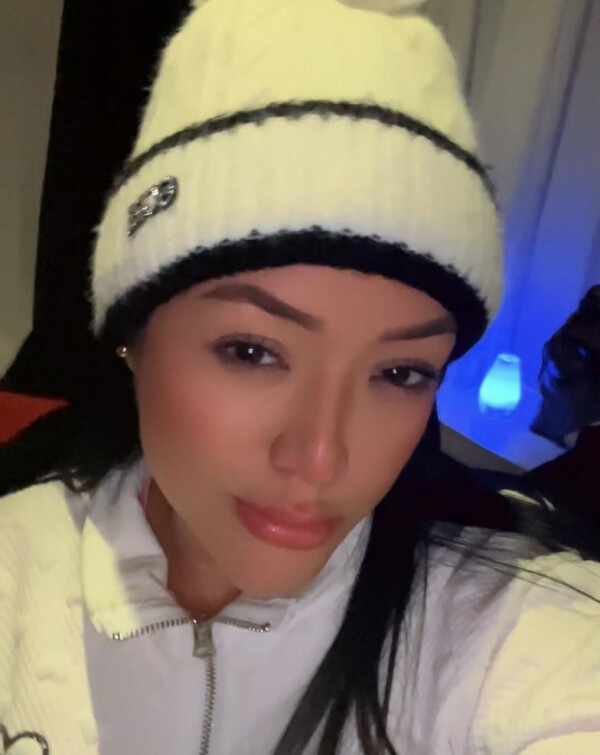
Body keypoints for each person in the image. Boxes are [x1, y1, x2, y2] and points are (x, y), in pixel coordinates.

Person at [1, 1, 600, 753]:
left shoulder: (497, 630)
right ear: (133, 335)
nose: (320, 457)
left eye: (400, 371)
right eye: (253, 351)